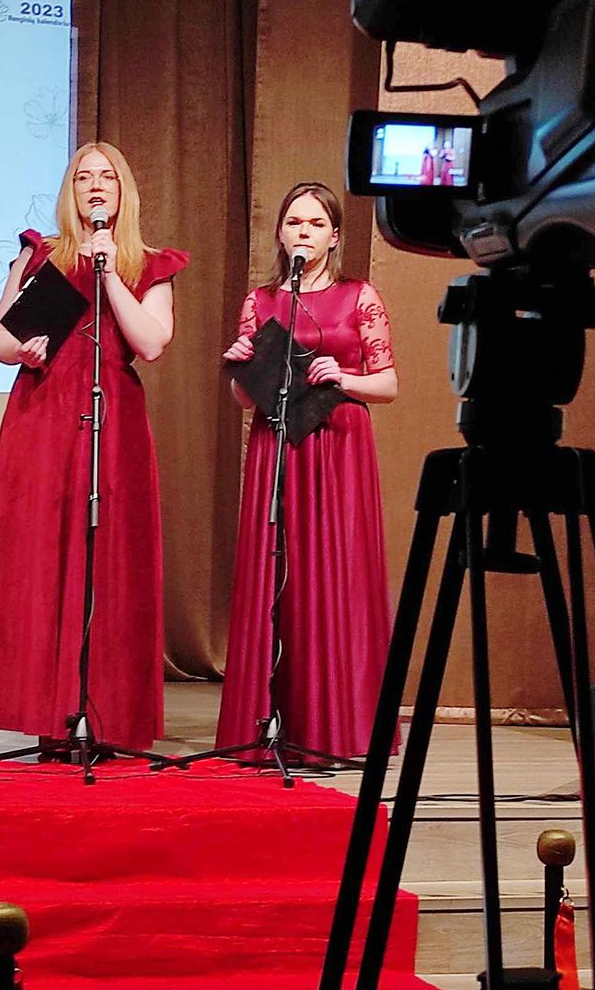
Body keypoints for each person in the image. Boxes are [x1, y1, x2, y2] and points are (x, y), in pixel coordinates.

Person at [0, 142, 189, 749]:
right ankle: (49, 714)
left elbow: (151, 343)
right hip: (41, 413)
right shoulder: (41, 255)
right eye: (83, 177)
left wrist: (110, 273)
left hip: (112, 419)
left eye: (107, 177)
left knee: (108, 559)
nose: (95, 186)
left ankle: (104, 713)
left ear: (123, 191)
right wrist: (24, 349)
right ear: (71, 192)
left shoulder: (148, 263)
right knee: (43, 556)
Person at [216, 181, 398, 762]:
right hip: (276, 446)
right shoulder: (261, 300)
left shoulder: (359, 295)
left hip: (339, 447)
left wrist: (344, 377)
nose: (304, 232)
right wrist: (239, 368)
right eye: (295, 222)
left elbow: (388, 384)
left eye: (316, 224)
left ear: (334, 236)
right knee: (276, 574)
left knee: (333, 575)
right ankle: (273, 720)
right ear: (280, 233)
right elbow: (246, 399)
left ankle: (335, 727)